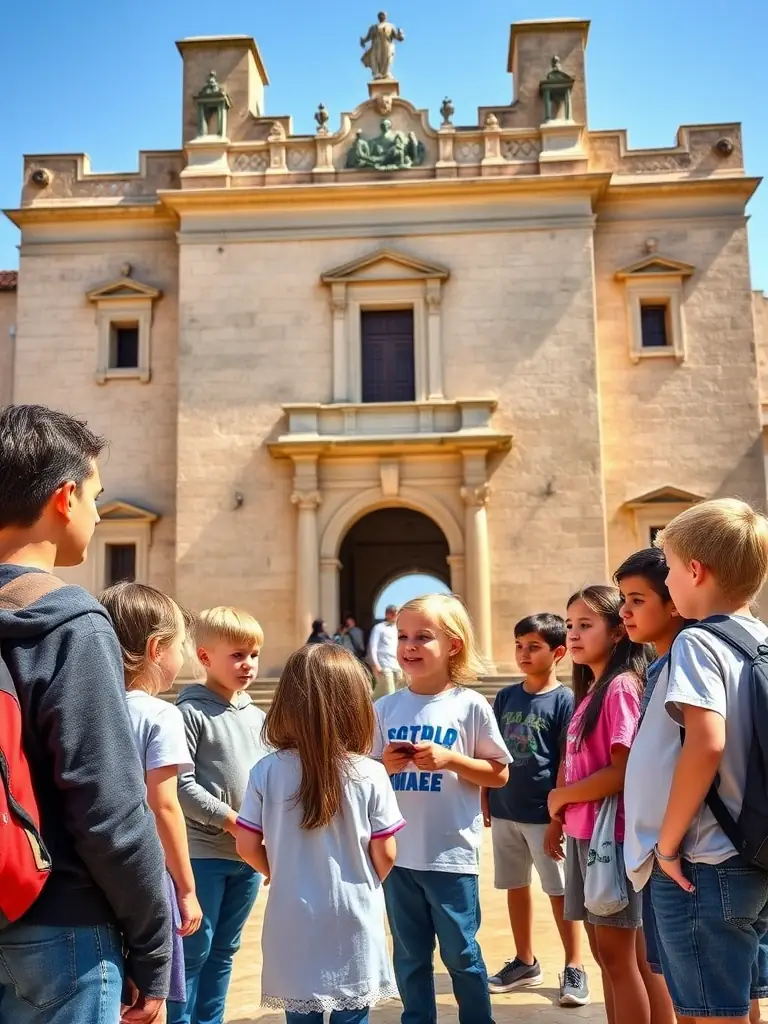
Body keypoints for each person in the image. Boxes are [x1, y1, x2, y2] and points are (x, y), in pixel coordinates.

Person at [0, 404, 171, 1024]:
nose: (100, 514)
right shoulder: (71, 620)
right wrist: (155, 945)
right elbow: (110, 811)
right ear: (65, 497)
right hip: (61, 926)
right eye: (96, 496)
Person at [624, 499, 768, 1024]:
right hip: (749, 854)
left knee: (706, 1014)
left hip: (700, 860)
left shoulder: (698, 642)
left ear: (693, 570)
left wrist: (666, 845)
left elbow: (705, 742)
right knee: (737, 1004)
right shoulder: (759, 641)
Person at [236, 643, 404, 1022]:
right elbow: (387, 852)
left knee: (300, 1013)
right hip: (354, 912)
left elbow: (246, 844)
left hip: (291, 912)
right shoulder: (371, 772)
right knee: (352, 1014)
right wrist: (364, 879)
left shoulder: (266, 770)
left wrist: (276, 870)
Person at [374, 593, 511, 1024]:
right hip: (398, 856)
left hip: (451, 854)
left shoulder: (470, 706)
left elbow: (499, 773)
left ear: (453, 645)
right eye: (402, 636)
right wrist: (384, 766)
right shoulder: (383, 708)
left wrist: (451, 759)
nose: (409, 646)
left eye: (422, 637)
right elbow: (365, 777)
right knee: (410, 956)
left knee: (462, 952)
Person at [547, 586, 651, 1024]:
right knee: (614, 956)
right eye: (569, 625)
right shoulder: (591, 690)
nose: (572, 634)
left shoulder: (621, 688)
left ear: (616, 632)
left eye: (585, 624)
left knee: (621, 958)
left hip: (613, 836)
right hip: (588, 834)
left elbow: (622, 771)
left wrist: (562, 797)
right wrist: (559, 815)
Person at [100, 581, 203, 1011]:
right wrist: (185, 886)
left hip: (93, 870)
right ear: (157, 648)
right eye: (182, 644)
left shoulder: (89, 702)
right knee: (150, 1003)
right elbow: (164, 805)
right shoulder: (160, 714)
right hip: (147, 872)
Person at [482, 613, 589, 1007]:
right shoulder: (506, 696)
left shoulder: (566, 701)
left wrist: (558, 818)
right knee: (514, 886)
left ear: (558, 652)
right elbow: (494, 752)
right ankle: (525, 960)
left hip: (544, 816)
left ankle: (574, 963)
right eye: (519, 645)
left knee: (560, 891)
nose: (523, 654)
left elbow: (565, 761)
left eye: (534, 646)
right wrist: (485, 797)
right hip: (505, 809)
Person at [169, 607, 269, 1024]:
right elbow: (180, 787)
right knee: (194, 951)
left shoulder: (260, 717)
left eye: (254, 654)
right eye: (238, 655)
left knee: (225, 950)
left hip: (245, 857)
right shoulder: (187, 713)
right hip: (203, 855)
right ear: (206, 658)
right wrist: (234, 821)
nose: (248, 664)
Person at [615, 548, 687, 1024]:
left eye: (636, 599)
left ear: (675, 599)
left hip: (685, 857)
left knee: (704, 999)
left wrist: (668, 844)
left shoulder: (687, 659)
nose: (623, 611)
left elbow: (704, 751)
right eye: (623, 599)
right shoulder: (660, 666)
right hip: (667, 857)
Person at [368, 604, 402, 699]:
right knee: (389, 692)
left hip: (397, 664)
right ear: (388, 614)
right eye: (394, 613)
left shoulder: (398, 628)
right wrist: (376, 664)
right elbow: (373, 646)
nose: (396, 616)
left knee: (398, 692)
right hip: (384, 664)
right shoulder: (379, 628)